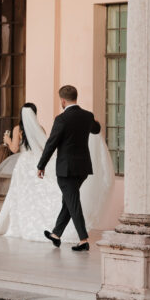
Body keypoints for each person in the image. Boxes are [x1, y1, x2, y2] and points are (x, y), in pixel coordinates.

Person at [0, 99, 112, 242]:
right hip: (37, 161)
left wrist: (7, 140)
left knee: (24, 195)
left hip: (25, 164)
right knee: (55, 197)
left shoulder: (18, 129)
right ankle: (58, 233)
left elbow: (14, 149)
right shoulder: (40, 128)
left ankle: (80, 238)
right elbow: (45, 146)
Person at [38, 85, 101, 252]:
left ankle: (83, 240)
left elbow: (51, 143)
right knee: (69, 200)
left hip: (66, 169)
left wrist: (41, 165)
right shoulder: (87, 116)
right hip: (82, 168)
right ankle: (56, 234)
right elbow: (97, 129)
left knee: (72, 202)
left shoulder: (61, 119)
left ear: (63, 100)